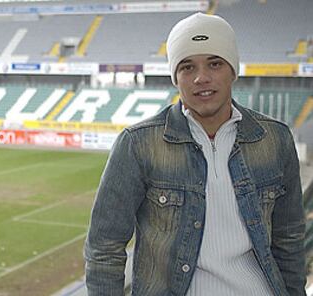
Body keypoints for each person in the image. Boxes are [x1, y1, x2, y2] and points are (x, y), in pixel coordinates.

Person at [84, 12, 306, 296]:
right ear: (175, 77)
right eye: (187, 67)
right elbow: (104, 246)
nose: (201, 78)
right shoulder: (138, 144)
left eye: (214, 63)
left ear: (233, 70)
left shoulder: (274, 139)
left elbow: (289, 240)